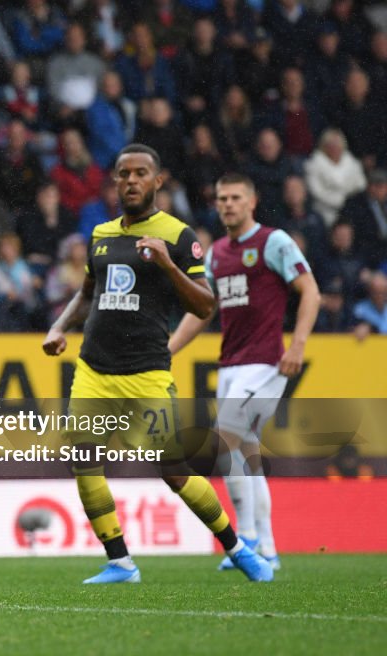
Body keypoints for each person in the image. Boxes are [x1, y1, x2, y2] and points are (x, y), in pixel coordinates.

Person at [42, 144, 273, 584]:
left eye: (141, 173)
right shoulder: (101, 234)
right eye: (123, 173)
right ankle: (120, 562)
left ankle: (238, 547)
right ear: (115, 180)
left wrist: (168, 264)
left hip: (146, 370)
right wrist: (59, 327)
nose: (131, 181)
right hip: (94, 368)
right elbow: (88, 292)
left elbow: (206, 305)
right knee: (85, 461)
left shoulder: (179, 236)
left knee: (173, 472)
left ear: (157, 181)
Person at [169, 173, 321, 572]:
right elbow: (204, 311)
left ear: (251, 202)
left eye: (235, 197)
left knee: (226, 440)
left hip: (269, 362)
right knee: (245, 454)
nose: (227, 204)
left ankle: (247, 537)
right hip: (232, 366)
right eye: (221, 198)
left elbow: (310, 290)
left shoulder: (274, 242)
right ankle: (267, 549)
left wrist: (299, 344)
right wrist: (166, 350)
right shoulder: (217, 253)